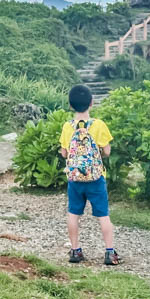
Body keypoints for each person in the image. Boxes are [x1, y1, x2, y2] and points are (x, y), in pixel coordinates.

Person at [59, 84, 120, 265]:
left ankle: (75, 250)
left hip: (75, 178)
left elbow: (64, 153)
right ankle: (109, 253)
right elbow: (107, 151)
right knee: (103, 215)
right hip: (96, 178)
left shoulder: (67, 127)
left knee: (73, 213)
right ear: (92, 103)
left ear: (70, 105)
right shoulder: (98, 125)